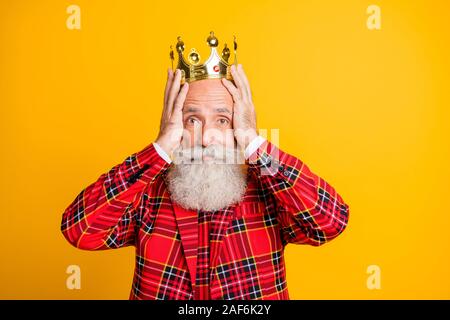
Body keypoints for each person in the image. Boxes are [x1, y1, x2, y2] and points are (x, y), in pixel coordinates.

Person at [61, 33, 350, 300]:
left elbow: (330, 221)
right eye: (192, 119)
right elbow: (80, 230)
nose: (206, 136)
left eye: (222, 120)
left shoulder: (270, 191)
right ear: (174, 124)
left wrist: (252, 140)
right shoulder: (146, 194)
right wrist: (159, 148)